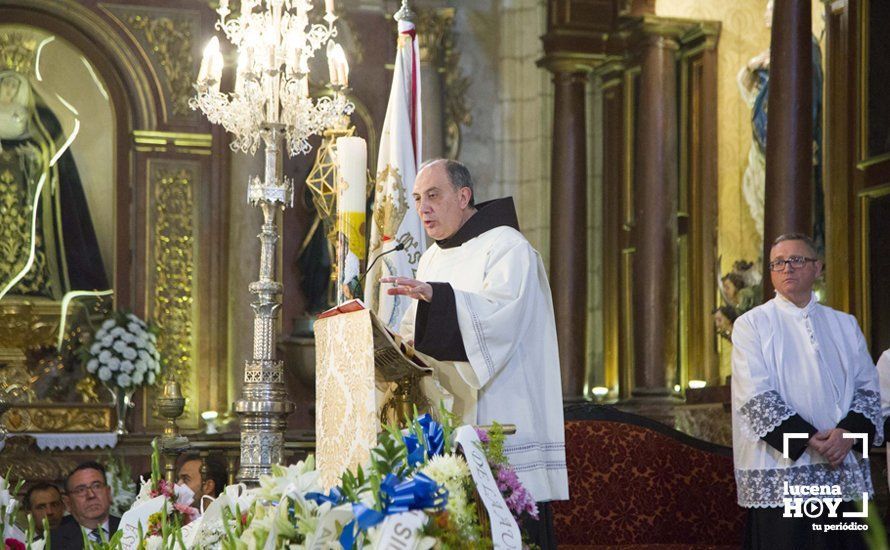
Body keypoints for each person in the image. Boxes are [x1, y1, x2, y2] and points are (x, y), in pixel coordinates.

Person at [381, 159, 568, 547]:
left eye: (433, 195)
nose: (423, 208)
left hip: (504, 415)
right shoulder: (432, 256)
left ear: (464, 196)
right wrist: (391, 342)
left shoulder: (508, 247)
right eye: (417, 199)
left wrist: (440, 299)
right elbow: (416, 335)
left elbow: (500, 318)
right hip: (449, 428)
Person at [731, 233, 882, 549]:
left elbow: (869, 389)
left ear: (818, 267)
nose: (787, 268)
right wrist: (809, 439)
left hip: (841, 467)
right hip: (783, 469)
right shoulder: (751, 325)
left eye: (797, 260)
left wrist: (848, 435)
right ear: (771, 272)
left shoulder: (845, 324)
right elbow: (755, 395)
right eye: (778, 263)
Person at [50, 462, 120, 548]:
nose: (91, 495)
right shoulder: (56, 541)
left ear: (108, 493)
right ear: (67, 503)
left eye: (96, 486)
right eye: (80, 490)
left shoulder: (130, 528)